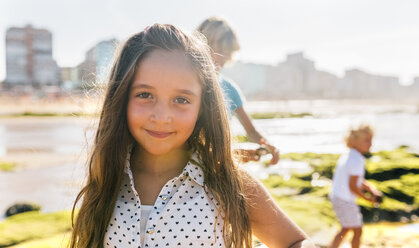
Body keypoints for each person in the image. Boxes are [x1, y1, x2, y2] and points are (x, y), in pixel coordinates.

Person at [69, 24, 314, 248]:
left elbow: (295, 242)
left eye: (181, 100)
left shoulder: (230, 182)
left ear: (203, 107)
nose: (162, 117)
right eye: (145, 95)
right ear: (121, 97)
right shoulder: (106, 176)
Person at [197, 17, 280, 165]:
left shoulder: (230, 88)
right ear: (201, 46)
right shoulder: (187, 86)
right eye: (221, 50)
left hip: (220, 166)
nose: (227, 56)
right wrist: (231, 153)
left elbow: (251, 131)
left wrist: (268, 145)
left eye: (229, 52)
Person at [329, 124, 382, 248]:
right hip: (345, 200)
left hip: (338, 197)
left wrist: (371, 189)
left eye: (371, 140)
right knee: (357, 230)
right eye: (366, 140)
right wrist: (369, 199)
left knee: (346, 228)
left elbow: (356, 179)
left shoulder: (349, 154)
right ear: (355, 141)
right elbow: (353, 186)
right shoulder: (357, 160)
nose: (370, 144)